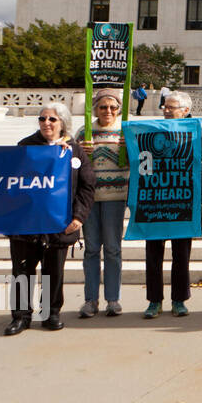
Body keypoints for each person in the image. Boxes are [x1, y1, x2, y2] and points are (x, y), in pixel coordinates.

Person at [4, 102, 95, 334]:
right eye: (42, 119)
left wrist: (79, 217)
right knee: (22, 271)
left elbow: (87, 186)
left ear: (62, 122)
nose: (46, 123)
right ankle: (21, 317)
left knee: (53, 271)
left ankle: (51, 313)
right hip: (27, 224)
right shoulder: (25, 146)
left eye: (52, 119)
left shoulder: (74, 150)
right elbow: (11, 183)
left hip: (59, 225)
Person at [143, 91, 202, 319]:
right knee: (153, 254)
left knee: (181, 254)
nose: (166, 110)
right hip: (156, 201)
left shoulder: (197, 132)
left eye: (171, 107)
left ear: (185, 111)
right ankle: (154, 301)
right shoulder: (152, 130)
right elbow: (143, 163)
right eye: (165, 107)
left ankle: (179, 300)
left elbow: (194, 161)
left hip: (183, 202)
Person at [74, 90, 130, 317]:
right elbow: (72, 163)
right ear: (95, 108)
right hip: (89, 198)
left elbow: (138, 161)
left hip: (115, 197)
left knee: (113, 249)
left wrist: (131, 148)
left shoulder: (125, 132)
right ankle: (90, 300)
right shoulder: (84, 131)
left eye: (113, 107)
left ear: (119, 109)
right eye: (103, 107)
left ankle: (113, 299)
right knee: (91, 249)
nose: (108, 111)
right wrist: (81, 152)